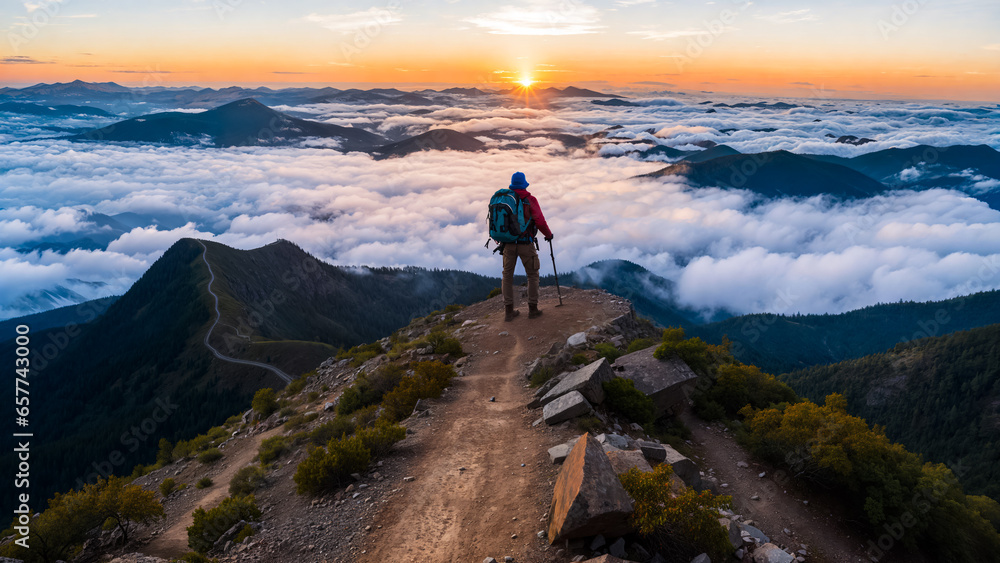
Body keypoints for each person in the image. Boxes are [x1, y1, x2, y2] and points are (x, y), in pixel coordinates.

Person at [502, 171, 553, 322]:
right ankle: (532, 309)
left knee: (507, 276)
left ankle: (509, 312)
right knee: (532, 275)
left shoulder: (505, 200)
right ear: (524, 184)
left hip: (508, 244)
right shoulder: (530, 200)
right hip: (526, 243)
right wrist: (548, 235)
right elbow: (540, 221)